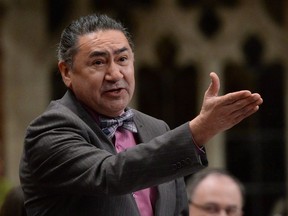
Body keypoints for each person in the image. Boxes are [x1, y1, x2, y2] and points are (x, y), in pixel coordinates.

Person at [19, 13, 263, 216]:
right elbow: (109, 175)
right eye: (98, 63)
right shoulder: (50, 129)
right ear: (67, 72)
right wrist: (199, 131)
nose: (115, 74)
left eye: (123, 59)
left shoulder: (157, 129)